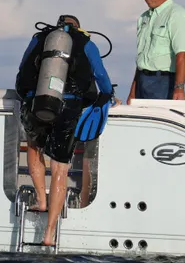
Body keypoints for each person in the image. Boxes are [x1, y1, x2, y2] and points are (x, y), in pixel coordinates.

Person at [15, 15, 114, 246]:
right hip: (68, 105)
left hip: (37, 101)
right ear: (79, 27)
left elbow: (23, 69)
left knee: (34, 145)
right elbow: (101, 76)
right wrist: (108, 94)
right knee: (60, 169)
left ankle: (40, 200)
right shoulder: (86, 43)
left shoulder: (40, 38)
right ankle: (49, 235)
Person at [127, 0, 185, 102]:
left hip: (164, 83)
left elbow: (182, 55)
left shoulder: (177, 16)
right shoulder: (144, 18)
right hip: (142, 81)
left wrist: (179, 88)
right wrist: (133, 92)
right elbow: (141, 60)